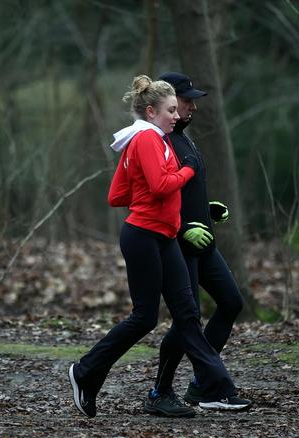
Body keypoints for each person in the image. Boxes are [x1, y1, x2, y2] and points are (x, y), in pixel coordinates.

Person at [68, 75, 251, 419]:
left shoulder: (154, 140)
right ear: (152, 111)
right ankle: (86, 372)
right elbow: (159, 184)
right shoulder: (149, 141)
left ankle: (215, 388)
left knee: (186, 315)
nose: (177, 115)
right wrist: (185, 173)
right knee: (144, 318)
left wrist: (180, 204)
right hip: (144, 237)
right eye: (172, 109)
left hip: (163, 236)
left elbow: (120, 194)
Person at [142, 72, 247, 417]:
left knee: (231, 302)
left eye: (191, 102)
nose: (191, 108)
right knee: (186, 320)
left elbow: (182, 189)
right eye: (185, 102)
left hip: (204, 243)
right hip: (177, 243)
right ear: (165, 104)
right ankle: (162, 390)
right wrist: (185, 225)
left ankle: (201, 386)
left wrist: (206, 208)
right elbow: (152, 196)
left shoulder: (184, 139)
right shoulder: (157, 141)